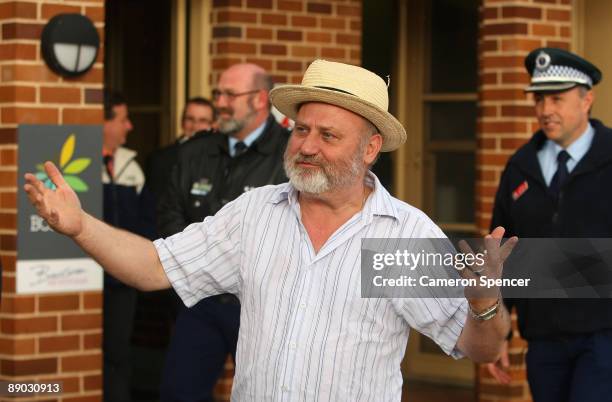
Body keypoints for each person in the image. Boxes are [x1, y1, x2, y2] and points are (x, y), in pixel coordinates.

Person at [25, 60, 515, 402]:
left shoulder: (402, 234)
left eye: (328, 136)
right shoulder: (257, 212)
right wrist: (81, 225)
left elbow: (480, 347)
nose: (307, 145)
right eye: (302, 129)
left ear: (369, 149)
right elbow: (155, 266)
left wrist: (484, 303)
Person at [157, 64, 289, 402]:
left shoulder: (290, 154)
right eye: (218, 93)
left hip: (261, 305)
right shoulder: (194, 152)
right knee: (179, 392)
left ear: (260, 99)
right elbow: (170, 213)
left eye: (230, 94)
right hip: (201, 300)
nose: (221, 102)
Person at [487, 48, 612, 402]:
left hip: (604, 338)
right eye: (539, 99)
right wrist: (500, 332)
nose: (545, 110)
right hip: (543, 339)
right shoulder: (520, 166)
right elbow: (504, 254)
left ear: (587, 99)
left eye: (557, 98)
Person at [101, 91, 155, 402]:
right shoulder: (78, 165)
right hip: (85, 280)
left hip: (122, 281)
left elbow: (147, 222)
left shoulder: (132, 167)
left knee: (119, 353)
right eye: (122, 119)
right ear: (103, 122)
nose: (130, 126)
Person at [146, 97, 216, 203]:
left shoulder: (221, 159)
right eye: (190, 119)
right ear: (182, 122)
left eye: (203, 121)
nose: (195, 126)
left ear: (213, 126)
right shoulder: (160, 159)